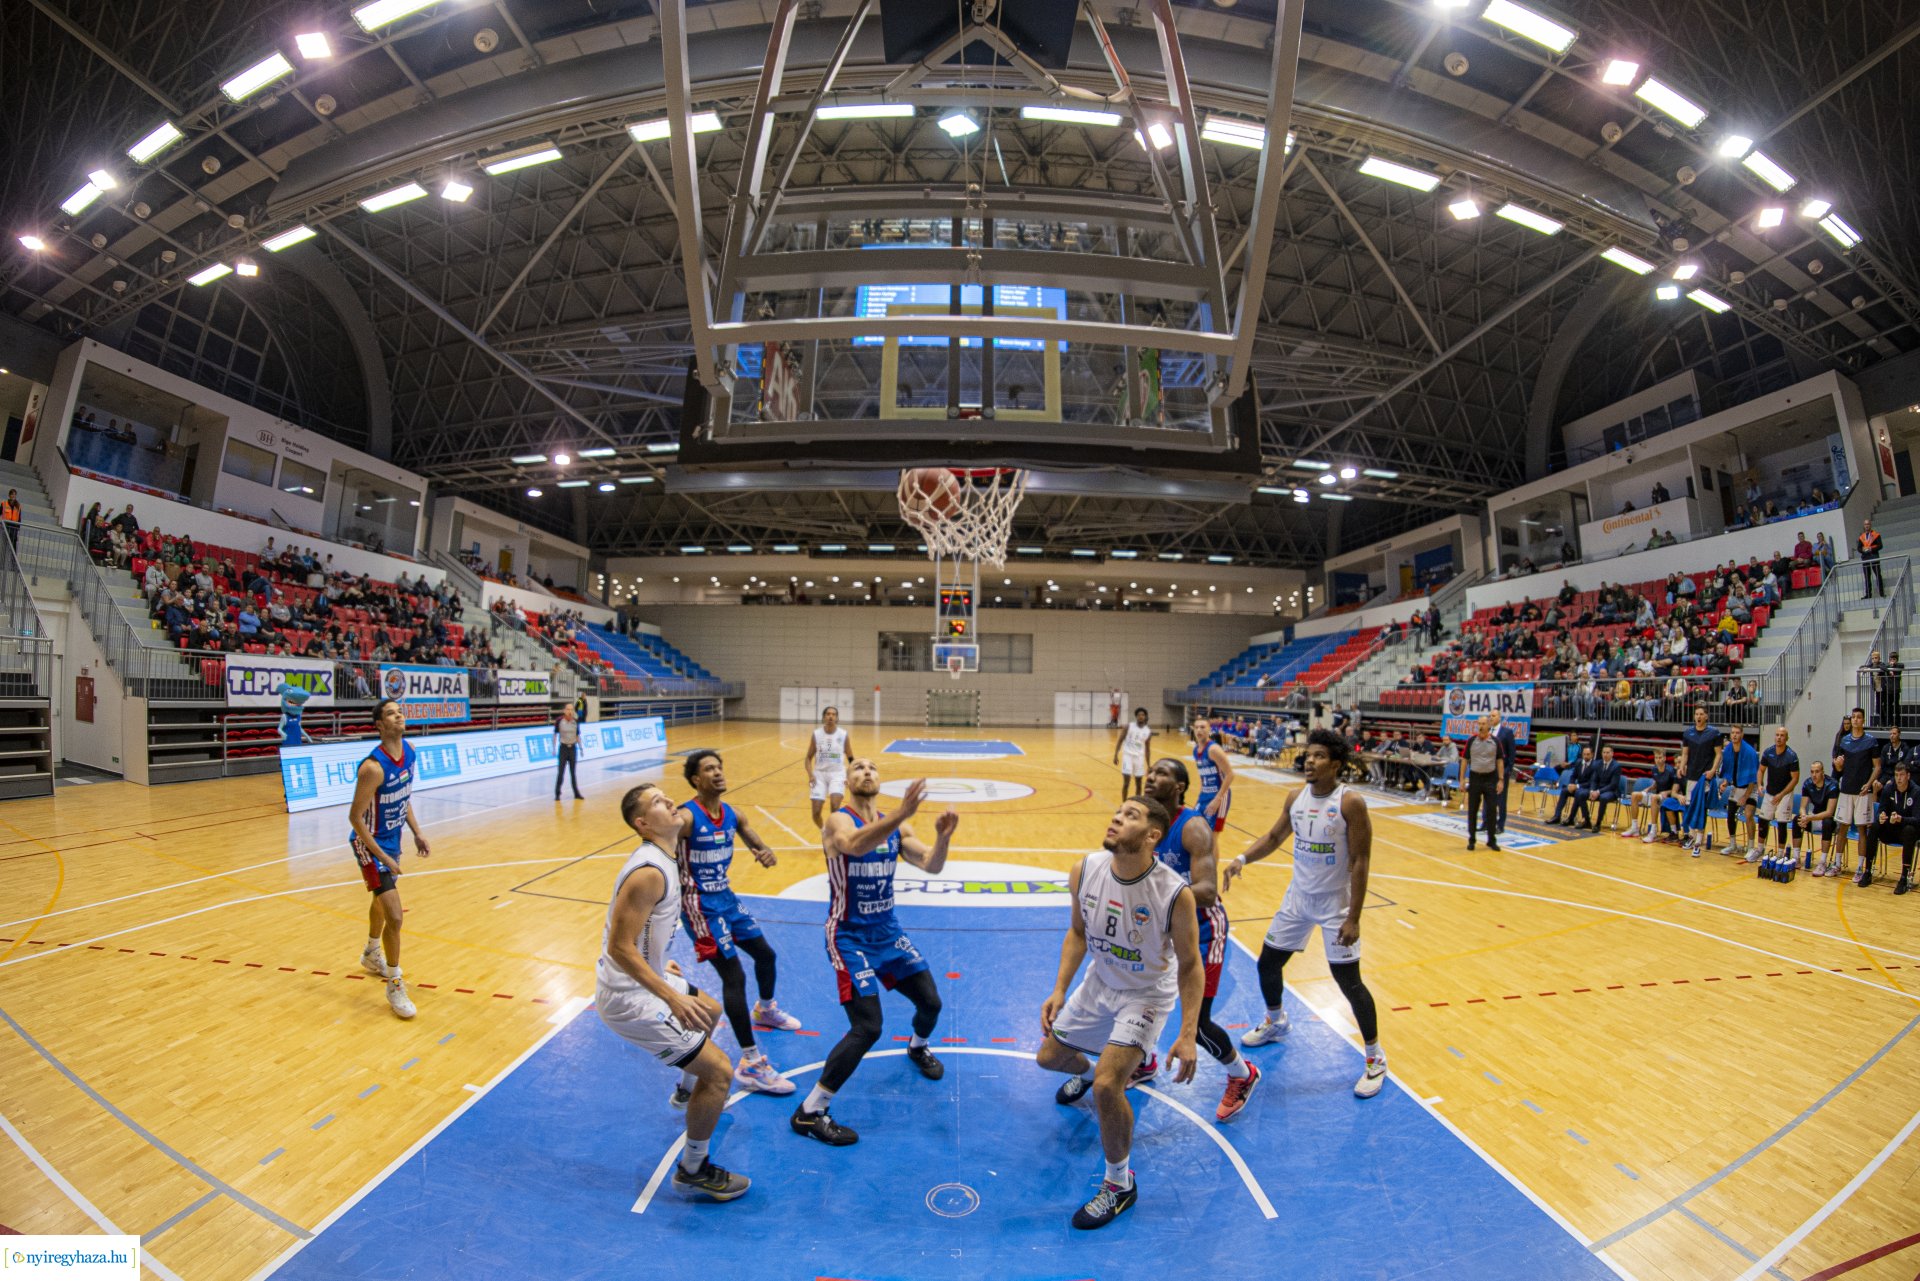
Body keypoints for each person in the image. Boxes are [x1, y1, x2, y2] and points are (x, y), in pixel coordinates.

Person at [1035, 796, 1202, 1230]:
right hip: (1099, 982)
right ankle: (1095, 1067)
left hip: (1145, 994)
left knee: (1108, 1087)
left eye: (1131, 815)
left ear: (1152, 836)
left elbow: (1190, 964)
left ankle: (1118, 1185)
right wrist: (1058, 990)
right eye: (1117, 811)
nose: (1116, 817)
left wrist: (1187, 1032)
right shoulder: (1085, 869)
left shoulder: (1173, 894)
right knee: (1048, 1059)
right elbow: (1077, 932)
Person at [596, 782, 750, 1202]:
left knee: (711, 1010)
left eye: (668, 796)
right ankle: (693, 1168)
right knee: (720, 1073)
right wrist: (669, 993)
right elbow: (619, 946)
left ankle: (686, 1090)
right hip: (629, 998)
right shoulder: (649, 871)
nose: (671, 801)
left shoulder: (665, 857)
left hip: (646, 975)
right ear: (643, 823)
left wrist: (660, 961)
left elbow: (637, 937)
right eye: (659, 802)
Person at [792, 766, 957, 1146]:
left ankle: (917, 1047)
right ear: (848, 783)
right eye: (858, 768)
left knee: (930, 1003)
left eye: (871, 767)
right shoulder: (838, 820)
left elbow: (931, 864)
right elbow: (852, 845)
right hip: (848, 935)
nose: (866, 771)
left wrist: (942, 837)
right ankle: (810, 1111)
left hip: (887, 932)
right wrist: (902, 813)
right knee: (868, 1027)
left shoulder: (897, 828)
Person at [1226, 729, 1386, 1098]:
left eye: (1318, 756)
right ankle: (1277, 1021)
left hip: (1336, 906)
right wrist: (1241, 858)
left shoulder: (1351, 803)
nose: (1309, 762)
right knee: (1267, 964)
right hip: (1298, 900)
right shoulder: (1295, 797)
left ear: (1336, 763)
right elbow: (1273, 837)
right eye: (1308, 755)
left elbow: (1361, 861)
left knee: (1349, 983)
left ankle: (1376, 1058)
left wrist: (1354, 917)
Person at [675, 750, 799, 1096]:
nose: (717, 773)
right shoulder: (686, 817)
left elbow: (754, 839)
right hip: (699, 906)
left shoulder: (732, 813)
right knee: (734, 976)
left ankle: (766, 1009)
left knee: (766, 955)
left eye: (719, 767)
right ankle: (750, 1062)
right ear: (695, 781)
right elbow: (660, 838)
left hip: (726, 898)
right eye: (708, 769)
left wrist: (764, 851)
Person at [1142, 758, 1258, 1120]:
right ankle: (1143, 1061)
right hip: (1164, 928)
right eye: (1150, 771)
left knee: (1200, 1024)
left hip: (1204, 929)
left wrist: (1162, 899)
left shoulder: (1192, 827)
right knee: (1137, 998)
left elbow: (1207, 891)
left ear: (1179, 787)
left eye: (1161, 773)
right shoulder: (1146, 823)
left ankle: (1242, 1074)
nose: (1150, 777)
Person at [348, 699, 431, 1020]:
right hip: (370, 847)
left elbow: (403, 796)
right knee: (395, 916)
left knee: (381, 903)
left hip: (393, 841)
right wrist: (383, 856)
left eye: (400, 712)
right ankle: (395, 983)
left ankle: (371, 952)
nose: (399, 716)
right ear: (380, 725)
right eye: (391, 714)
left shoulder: (409, 751)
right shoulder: (372, 767)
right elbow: (355, 818)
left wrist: (416, 832)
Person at [1831, 708, 1879, 881]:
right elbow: (1839, 768)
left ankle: (1860, 867)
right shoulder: (1844, 741)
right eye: (1854, 717)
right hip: (1846, 790)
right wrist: (1837, 765)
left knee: (1861, 830)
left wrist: (1868, 784)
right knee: (1841, 828)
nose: (1856, 720)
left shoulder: (1871, 741)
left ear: (1863, 720)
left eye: (1859, 717)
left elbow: (1878, 766)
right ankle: (1837, 864)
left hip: (1862, 793)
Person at [1678, 706, 1725, 856]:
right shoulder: (1688, 733)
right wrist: (1681, 766)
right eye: (1696, 714)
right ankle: (1691, 836)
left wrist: (1713, 771)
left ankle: (1699, 840)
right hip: (1691, 776)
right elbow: (1685, 753)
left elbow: (1718, 754)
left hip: (1705, 776)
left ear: (1706, 716)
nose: (1698, 716)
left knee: (1701, 808)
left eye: (1701, 714)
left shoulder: (1714, 733)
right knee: (1690, 807)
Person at [1750, 727, 1801, 864]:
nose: (1779, 738)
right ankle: (1759, 849)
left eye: (1782, 735)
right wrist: (1760, 784)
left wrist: (1782, 794)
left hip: (1785, 794)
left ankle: (1780, 854)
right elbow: (1761, 770)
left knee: (1781, 823)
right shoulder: (1768, 752)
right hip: (1770, 792)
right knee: (1763, 820)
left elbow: (1795, 779)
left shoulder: (1791, 756)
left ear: (1787, 738)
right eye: (1777, 735)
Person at [1874, 762, 1919, 894]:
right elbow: (1882, 810)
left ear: (1908, 776)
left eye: (1902, 775)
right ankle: (1867, 871)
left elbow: (1918, 820)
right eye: (1896, 775)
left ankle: (1904, 877)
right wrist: (1881, 816)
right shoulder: (1889, 788)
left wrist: (1901, 819)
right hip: (1892, 828)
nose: (1898, 778)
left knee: (1909, 830)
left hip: (1909, 831)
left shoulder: (1916, 791)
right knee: (1876, 825)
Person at [804, 705, 852, 828]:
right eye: (828, 714)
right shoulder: (816, 734)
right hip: (819, 775)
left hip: (837, 774)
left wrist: (849, 776)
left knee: (835, 807)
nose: (831, 716)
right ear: (824, 717)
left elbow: (851, 758)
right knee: (815, 813)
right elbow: (808, 758)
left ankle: (834, 833)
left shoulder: (843, 734)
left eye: (833, 714)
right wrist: (810, 775)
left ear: (836, 718)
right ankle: (824, 830)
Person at [1716, 726, 1760, 858]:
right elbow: (1730, 771)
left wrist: (1746, 797)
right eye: (1732, 733)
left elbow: (1753, 778)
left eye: (1737, 733)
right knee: (1730, 814)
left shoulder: (1750, 752)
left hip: (1750, 788)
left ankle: (1751, 847)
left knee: (1748, 815)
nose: (1734, 735)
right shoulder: (1729, 749)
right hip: (1736, 787)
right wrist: (1725, 782)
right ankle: (1732, 844)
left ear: (1742, 734)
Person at [1189, 715, 1236, 832]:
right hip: (1204, 794)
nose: (1199, 730)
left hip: (1219, 795)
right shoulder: (1195, 750)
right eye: (1196, 727)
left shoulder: (1213, 749)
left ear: (1209, 729)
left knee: (1211, 837)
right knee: (1196, 829)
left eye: (1203, 727)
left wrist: (1218, 799)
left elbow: (1230, 774)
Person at [1462, 716, 1502, 851]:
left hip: (1491, 779)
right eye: (1479, 723)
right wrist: (1462, 779)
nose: (1481, 726)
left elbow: (1500, 761)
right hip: (1475, 778)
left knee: (1491, 809)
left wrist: (1501, 780)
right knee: (1472, 810)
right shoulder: (1471, 740)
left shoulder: (1496, 741)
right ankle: (1472, 839)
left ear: (1489, 725)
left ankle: (1491, 840)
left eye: (1484, 723)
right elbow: (1464, 760)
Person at [1625, 749, 1678, 842]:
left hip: (1667, 797)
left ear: (1665, 758)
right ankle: (1634, 828)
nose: (1658, 760)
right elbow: (1657, 783)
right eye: (1656, 758)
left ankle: (1653, 832)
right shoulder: (1654, 769)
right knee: (1634, 795)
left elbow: (1677, 788)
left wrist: (1666, 792)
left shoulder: (1671, 770)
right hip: (1657, 796)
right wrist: (1649, 788)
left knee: (1653, 797)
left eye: (1660, 757)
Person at [1797, 761, 1840, 873]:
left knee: (1827, 822)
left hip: (1830, 820)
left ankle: (1822, 862)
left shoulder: (1832, 785)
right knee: (1796, 820)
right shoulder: (1807, 783)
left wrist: (1810, 818)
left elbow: (1829, 812)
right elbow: (1802, 807)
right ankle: (1796, 857)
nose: (1814, 775)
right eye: (1812, 772)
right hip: (1814, 818)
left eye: (1817, 772)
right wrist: (1803, 817)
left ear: (1822, 772)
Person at [1572, 745, 1625, 832]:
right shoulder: (1598, 764)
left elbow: (1613, 785)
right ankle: (1587, 821)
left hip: (1611, 791)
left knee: (1603, 798)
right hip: (1598, 789)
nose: (1605, 754)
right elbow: (1594, 780)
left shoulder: (1616, 766)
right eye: (1604, 752)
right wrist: (1592, 790)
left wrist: (1598, 792)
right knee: (1581, 794)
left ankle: (1598, 823)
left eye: (1608, 752)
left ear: (1612, 754)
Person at [1112, 708, 1153, 802]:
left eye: (1142, 715)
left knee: (1139, 784)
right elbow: (1120, 740)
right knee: (1126, 783)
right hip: (1128, 756)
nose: (1141, 716)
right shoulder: (1129, 726)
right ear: (1136, 716)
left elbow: (1147, 749)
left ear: (1145, 717)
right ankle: (1124, 804)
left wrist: (1149, 764)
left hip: (1139, 758)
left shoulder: (1147, 731)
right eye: (1139, 715)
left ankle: (1136, 803)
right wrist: (1116, 755)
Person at [552, 703, 585, 800]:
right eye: (568, 709)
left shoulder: (575, 722)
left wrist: (581, 748)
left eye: (571, 709)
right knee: (561, 773)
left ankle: (576, 793)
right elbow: (555, 735)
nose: (569, 711)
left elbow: (577, 735)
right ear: (564, 711)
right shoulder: (559, 721)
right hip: (563, 749)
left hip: (573, 749)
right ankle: (557, 794)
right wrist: (553, 748)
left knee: (573, 773)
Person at [1858, 518, 1884, 597]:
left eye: (1868, 524)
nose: (1867, 526)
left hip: (1874, 557)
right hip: (1865, 558)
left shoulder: (1876, 535)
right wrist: (1863, 550)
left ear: (1870, 525)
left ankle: (1881, 593)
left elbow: (1880, 545)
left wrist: (1871, 548)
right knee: (1867, 577)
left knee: (1878, 575)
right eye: (1865, 524)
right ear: (1864, 526)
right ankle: (1868, 594)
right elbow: (1859, 548)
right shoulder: (1861, 537)